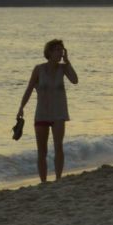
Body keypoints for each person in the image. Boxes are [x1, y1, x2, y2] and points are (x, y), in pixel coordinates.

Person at [17, 39, 78, 182]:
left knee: (58, 147)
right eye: (57, 50)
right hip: (42, 113)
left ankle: (58, 179)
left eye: (62, 50)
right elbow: (29, 89)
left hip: (59, 113)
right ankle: (43, 181)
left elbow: (75, 80)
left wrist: (68, 61)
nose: (60, 52)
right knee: (42, 151)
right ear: (49, 52)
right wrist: (21, 107)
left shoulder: (63, 69)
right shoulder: (39, 69)